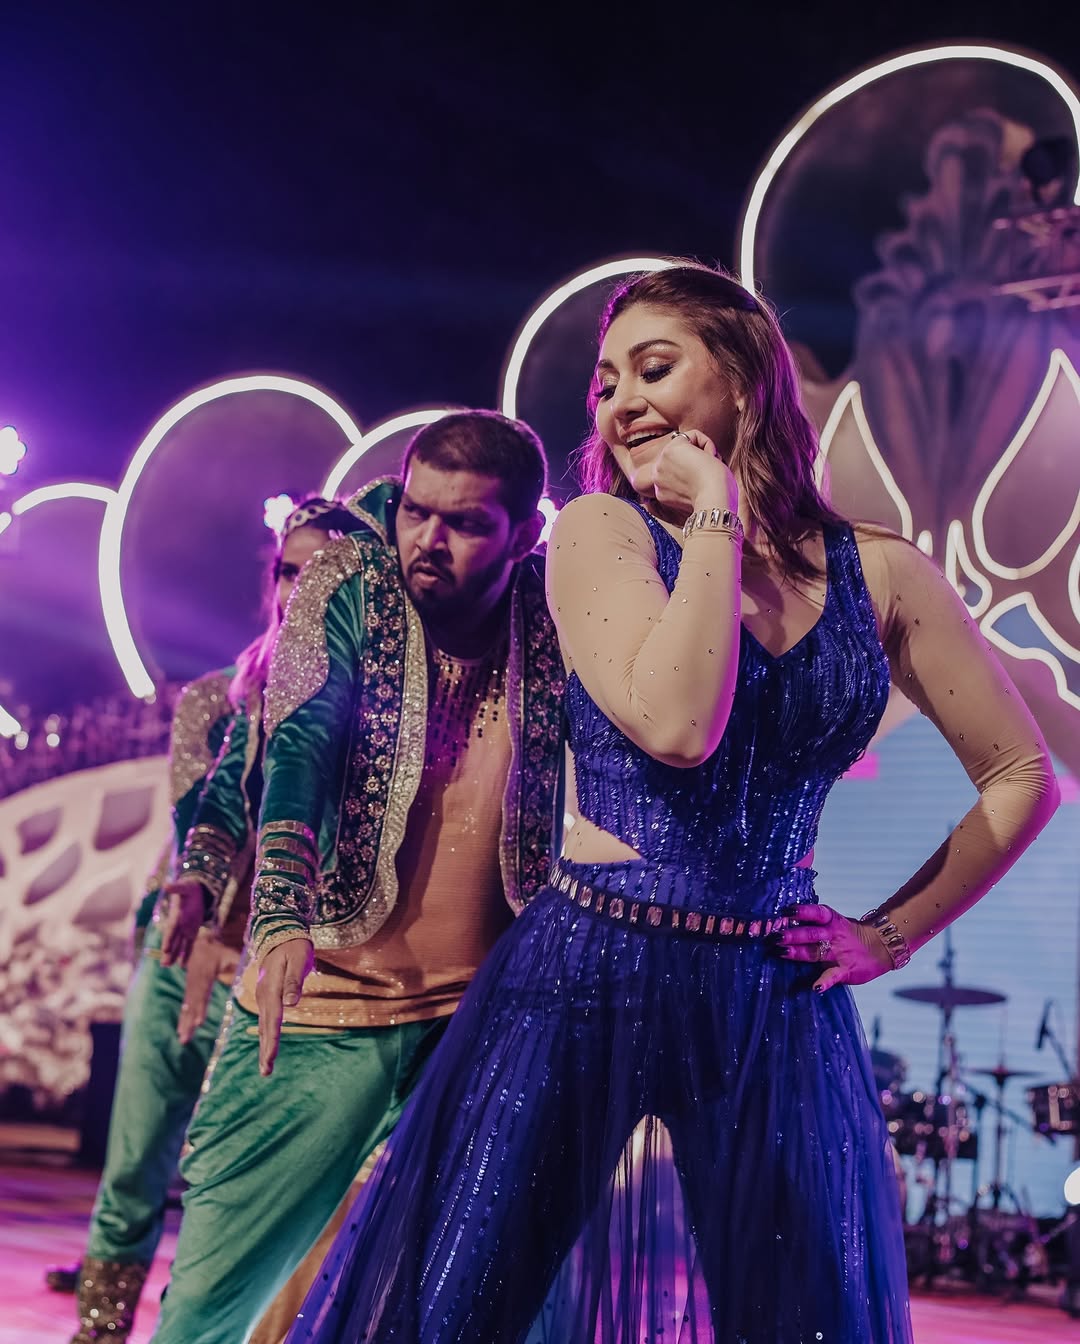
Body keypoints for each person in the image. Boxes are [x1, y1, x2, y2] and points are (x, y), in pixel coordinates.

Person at [284, 263, 1060, 1344]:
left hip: (771, 995)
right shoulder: (601, 534)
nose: (621, 403)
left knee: (804, 1321)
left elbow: (1025, 776)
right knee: (459, 1311)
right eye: (606, 385)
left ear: (744, 385)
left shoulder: (881, 576)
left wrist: (889, 934)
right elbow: (678, 726)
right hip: (583, 973)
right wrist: (716, 528)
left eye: (654, 369)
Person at [148, 410, 565, 1344]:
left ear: (525, 533)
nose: (428, 539)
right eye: (418, 511)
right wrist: (279, 912)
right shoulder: (346, 580)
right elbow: (296, 745)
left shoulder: (557, 606)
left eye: (465, 524)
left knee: (464, 1301)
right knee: (213, 1299)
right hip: (322, 992)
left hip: (481, 1013)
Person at [66, 498, 357, 1344]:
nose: (299, 589)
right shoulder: (216, 700)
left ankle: (192, 1326)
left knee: (227, 1179)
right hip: (183, 952)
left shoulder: (366, 710)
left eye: (322, 574)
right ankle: (98, 1331)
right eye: (289, 571)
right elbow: (204, 812)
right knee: (132, 1170)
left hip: (279, 974)